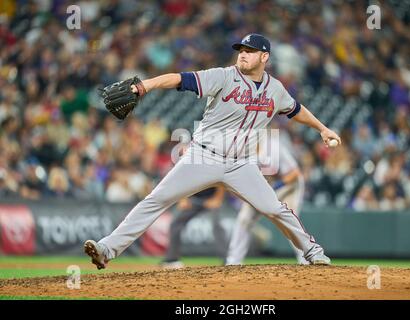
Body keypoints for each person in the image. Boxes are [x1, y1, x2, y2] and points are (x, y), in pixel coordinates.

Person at [84, 33, 341, 270]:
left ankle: (313, 252)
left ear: (265, 57)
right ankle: (107, 248)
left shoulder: (276, 89)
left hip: (242, 164)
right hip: (203, 156)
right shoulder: (223, 76)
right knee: (156, 200)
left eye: (250, 51)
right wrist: (143, 86)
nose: (242, 54)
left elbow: (296, 109)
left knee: (275, 209)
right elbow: (179, 79)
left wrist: (322, 128)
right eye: (241, 49)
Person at [225, 131, 310, 265]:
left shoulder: (272, 146)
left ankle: (306, 259)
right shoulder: (240, 151)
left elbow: (294, 174)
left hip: (288, 187)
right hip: (264, 187)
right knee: (244, 219)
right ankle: (233, 262)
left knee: (288, 222)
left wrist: (273, 189)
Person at [161, 185, 227, 269]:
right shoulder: (187, 171)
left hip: (211, 199)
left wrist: (218, 198)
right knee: (175, 224)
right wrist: (183, 199)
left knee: (217, 225)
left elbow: (221, 182)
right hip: (193, 200)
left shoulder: (213, 171)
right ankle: (172, 259)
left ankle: (227, 260)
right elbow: (183, 181)